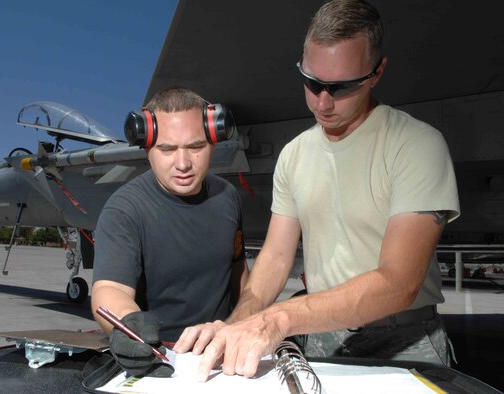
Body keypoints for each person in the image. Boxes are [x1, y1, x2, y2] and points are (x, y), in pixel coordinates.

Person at [174, 0, 460, 381]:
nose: (323, 102)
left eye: (341, 88)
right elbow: (275, 260)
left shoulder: (417, 145)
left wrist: (279, 319)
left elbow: (399, 283)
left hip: (407, 340)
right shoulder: (293, 156)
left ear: (377, 73)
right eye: (312, 83)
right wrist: (234, 325)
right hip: (324, 338)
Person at [91, 87, 249, 377]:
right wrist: (130, 328)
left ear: (214, 142)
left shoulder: (228, 197)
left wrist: (243, 323)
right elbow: (109, 289)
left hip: (225, 355)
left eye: (196, 147)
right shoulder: (125, 210)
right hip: (162, 358)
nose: (183, 164)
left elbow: (238, 271)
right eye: (167, 149)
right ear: (146, 147)